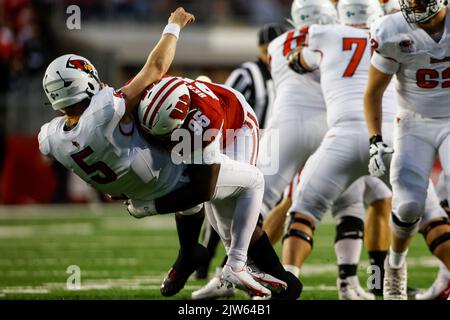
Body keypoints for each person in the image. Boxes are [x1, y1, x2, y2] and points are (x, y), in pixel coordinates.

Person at [283, 0, 448, 300]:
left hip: (343, 136)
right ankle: (378, 276)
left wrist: (300, 56)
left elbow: (297, 60)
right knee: (426, 215)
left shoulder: (326, 34)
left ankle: (286, 281)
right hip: (394, 133)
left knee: (302, 211)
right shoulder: (389, 27)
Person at [137, 75, 303, 300]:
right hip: (207, 121)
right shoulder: (150, 89)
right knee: (217, 215)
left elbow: (202, 189)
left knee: (228, 209)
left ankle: (262, 274)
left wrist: (148, 207)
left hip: (237, 131)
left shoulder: (204, 119)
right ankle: (236, 269)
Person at [365, 0, 450, 299]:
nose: (414, 3)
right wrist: (375, 139)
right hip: (413, 122)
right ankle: (395, 267)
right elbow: (373, 92)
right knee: (408, 205)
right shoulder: (392, 29)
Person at [194, 22, 289, 283]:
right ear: (263, 48)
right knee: (226, 202)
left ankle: (231, 266)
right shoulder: (247, 73)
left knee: (251, 209)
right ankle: (210, 262)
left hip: (271, 144)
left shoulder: (284, 74)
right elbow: (223, 101)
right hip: (239, 143)